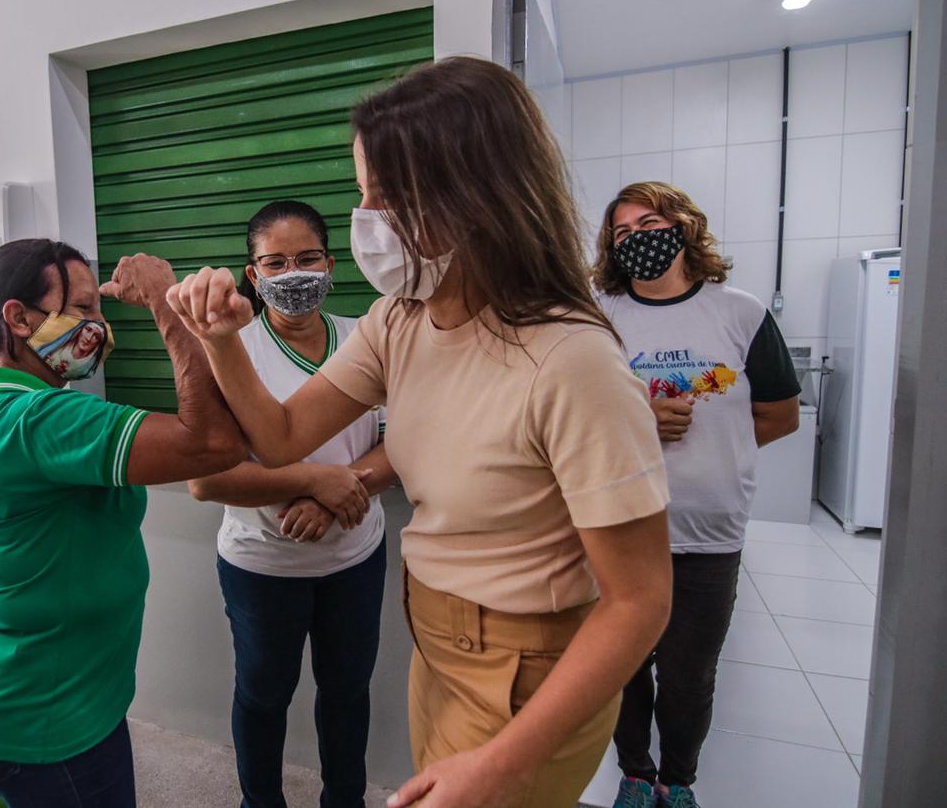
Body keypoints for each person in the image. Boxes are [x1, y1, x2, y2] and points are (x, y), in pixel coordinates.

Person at [165, 56, 674, 808]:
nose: (367, 219)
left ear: (475, 193)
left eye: (389, 197)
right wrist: (220, 337)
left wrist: (501, 762)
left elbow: (639, 602)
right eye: (362, 194)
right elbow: (279, 437)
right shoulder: (402, 320)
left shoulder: (571, 360)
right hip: (436, 639)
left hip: (526, 666)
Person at [0, 239, 246, 808]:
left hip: (32, 692)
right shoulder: (44, 419)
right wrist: (169, 307)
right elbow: (214, 444)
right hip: (48, 719)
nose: (99, 325)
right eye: (84, 309)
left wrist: (14, 548)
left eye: (100, 308)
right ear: (18, 318)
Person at [593, 182, 800, 808]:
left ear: (683, 227)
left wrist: (721, 448)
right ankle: (634, 771)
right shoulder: (599, 317)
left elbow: (779, 415)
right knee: (624, 666)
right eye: (622, 232)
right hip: (622, 524)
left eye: (649, 222)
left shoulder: (739, 313)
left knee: (689, 676)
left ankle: (676, 781)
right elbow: (574, 417)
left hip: (709, 530)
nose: (637, 238)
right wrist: (639, 425)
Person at [187, 200, 395, 808]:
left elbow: (405, 441)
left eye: (307, 259)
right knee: (262, 694)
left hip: (356, 556)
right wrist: (312, 481)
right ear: (253, 276)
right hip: (262, 566)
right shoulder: (227, 351)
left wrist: (340, 494)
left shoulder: (368, 337)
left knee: (347, 691)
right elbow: (208, 480)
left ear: (332, 265)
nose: (293, 273)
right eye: (275, 262)